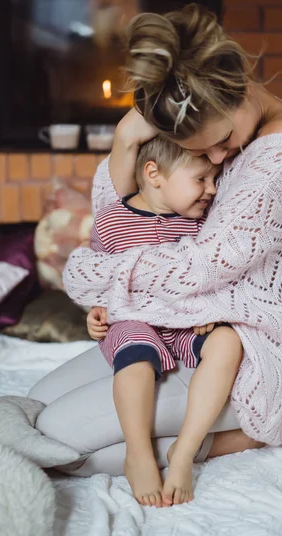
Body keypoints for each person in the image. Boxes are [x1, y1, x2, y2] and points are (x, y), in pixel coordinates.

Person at [33, 2, 282, 503]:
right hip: (171, 323)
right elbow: (120, 221)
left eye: (221, 144)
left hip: (241, 349)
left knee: (58, 440)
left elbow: (199, 267)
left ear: (233, 91)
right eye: (203, 156)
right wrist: (128, 139)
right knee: (34, 408)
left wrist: (91, 273)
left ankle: (259, 429)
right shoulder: (223, 124)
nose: (217, 160)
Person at [86, 137, 243, 507]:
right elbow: (98, 277)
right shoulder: (111, 223)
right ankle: (138, 453)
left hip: (186, 323)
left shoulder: (204, 224)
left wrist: (211, 309)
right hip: (134, 321)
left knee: (228, 342)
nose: (212, 190)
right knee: (136, 352)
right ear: (154, 174)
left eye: (215, 179)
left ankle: (184, 451)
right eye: (201, 179)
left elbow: (218, 275)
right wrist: (95, 310)